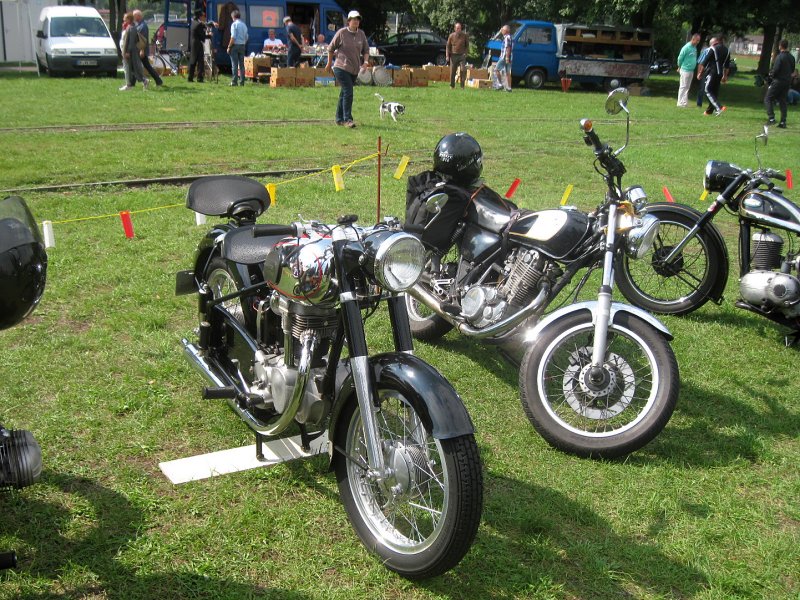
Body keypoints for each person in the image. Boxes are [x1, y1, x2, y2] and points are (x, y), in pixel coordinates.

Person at [325, 10, 369, 128]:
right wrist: (329, 63)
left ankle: (339, 119)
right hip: (341, 67)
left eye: (358, 19)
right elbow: (330, 48)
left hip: (354, 69)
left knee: (344, 93)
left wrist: (365, 62)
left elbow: (366, 50)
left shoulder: (361, 34)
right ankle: (347, 120)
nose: (356, 21)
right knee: (348, 92)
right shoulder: (342, 33)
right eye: (353, 19)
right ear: (348, 21)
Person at [764, 39, 796, 128]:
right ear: (787, 46)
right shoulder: (792, 57)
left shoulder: (780, 57)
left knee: (768, 98)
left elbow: (776, 70)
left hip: (778, 81)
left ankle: (771, 118)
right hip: (787, 81)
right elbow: (792, 70)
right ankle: (783, 121)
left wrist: (770, 76)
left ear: (780, 46)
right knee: (783, 101)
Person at [697, 36, 730, 116]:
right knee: (714, 92)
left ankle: (719, 107)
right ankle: (709, 111)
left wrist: (700, 73)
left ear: (716, 42)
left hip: (712, 72)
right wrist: (725, 76)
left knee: (707, 89)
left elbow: (704, 62)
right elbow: (727, 66)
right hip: (720, 74)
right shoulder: (727, 50)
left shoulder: (713, 49)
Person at [132, 10, 163, 87]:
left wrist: (142, 50)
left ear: (138, 16)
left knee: (137, 66)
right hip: (139, 50)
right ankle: (158, 81)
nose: (133, 17)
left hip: (141, 50)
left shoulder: (143, 26)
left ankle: (132, 83)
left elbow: (143, 40)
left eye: (134, 15)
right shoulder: (139, 25)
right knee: (145, 66)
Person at [119, 12, 148, 91]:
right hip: (128, 52)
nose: (123, 19)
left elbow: (131, 42)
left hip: (130, 53)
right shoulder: (130, 27)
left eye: (125, 18)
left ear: (129, 19)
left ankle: (130, 84)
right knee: (132, 69)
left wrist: (127, 52)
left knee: (129, 68)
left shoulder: (131, 28)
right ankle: (139, 82)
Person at [676, 33, 701, 107]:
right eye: (697, 40)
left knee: (687, 87)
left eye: (699, 41)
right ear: (693, 39)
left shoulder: (694, 48)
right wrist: (679, 66)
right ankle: (679, 102)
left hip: (691, 70)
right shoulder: (686, 47)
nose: (698, 42)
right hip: (685, 69)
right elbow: (680, 58)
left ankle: (684, 102)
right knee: (683, 86)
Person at [188, 9, 211, 82]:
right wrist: (209, 36)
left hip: (193, 43)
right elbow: (202, 36)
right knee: (200, 61)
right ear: (200, 17)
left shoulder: (194, 22)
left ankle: (190, 77)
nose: (204, 17)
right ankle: (200, 78)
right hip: (198, 43)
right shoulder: (199, 24)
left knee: (193, 60)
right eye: (203, 16)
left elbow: (202, 27)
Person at [227, 9, 248, 86]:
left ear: (233, 17)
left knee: (234, 64)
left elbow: (233, 37)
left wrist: (229, 46)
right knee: (242, 65)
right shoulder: (244, 25)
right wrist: (243, 43)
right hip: (242, 45)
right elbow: (246, 37)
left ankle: (234, 82)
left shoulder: (234, 24)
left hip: (235, 46)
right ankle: (242, 82)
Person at [446, 22, 469, 89]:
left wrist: (465, 53)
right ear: (455, 28)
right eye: (457, 28)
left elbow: (467, 46)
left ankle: (462, 86)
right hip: (453, 55)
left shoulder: (464, 36)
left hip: (462, 55)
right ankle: (452, 86)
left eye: (460, 28)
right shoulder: (451, 36)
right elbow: (447, 46)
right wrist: (447, 55)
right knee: (452, 71)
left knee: (463, 70)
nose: (458, 29)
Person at [494, 24, 512, 92]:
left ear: (506, 30)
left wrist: (506, 57)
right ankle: (509, 88)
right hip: (509, 57)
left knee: (496, 69)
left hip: (504, 57)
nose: (502, 31)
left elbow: (508, 47)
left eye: (503, 30)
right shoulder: (509, 37)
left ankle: (500, 84)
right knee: (508, 72)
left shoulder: (507, 38)